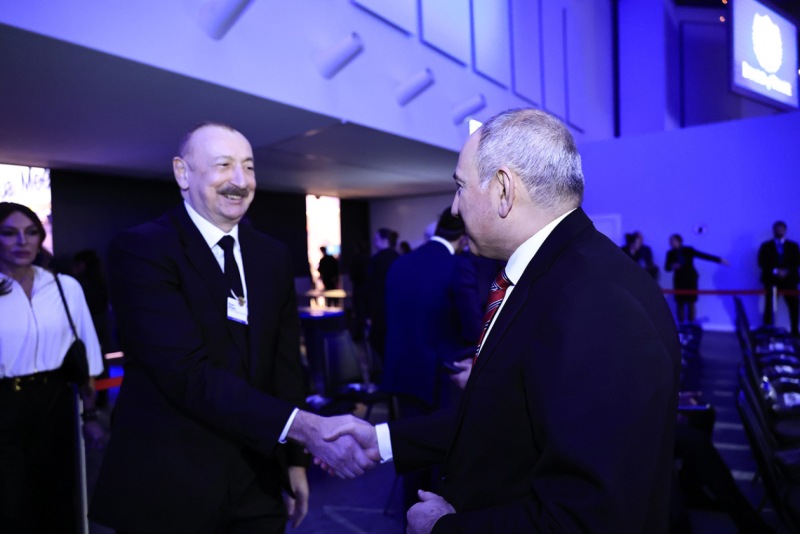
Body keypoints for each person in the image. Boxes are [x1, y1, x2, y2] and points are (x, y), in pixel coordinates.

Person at [324, 108, 682, 533]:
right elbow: (505, 417)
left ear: (503, 189)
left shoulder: (595, 302)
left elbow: (587, 517)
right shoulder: (557, 274)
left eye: (460, 186)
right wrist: (383, 441)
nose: (454, 207)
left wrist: (443, 528)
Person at [89, 122, 378, 533]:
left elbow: (284, 367)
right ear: (183, 173)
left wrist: (294, 462)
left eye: (249, 166)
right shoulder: (143, 250)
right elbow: (185, 372)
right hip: (171, 481)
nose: (240, 181)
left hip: (256, 479)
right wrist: (306, 428)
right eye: (224, 165)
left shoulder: (272, 255)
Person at [0, 202, 104, 532]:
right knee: (10, 505)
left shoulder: (64, 287)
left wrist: (90, 417)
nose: (22, 241)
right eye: (9, 233)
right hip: (4, 404)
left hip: (55, 403)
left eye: (31, 232)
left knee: (57, 500)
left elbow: (86, 358)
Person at [382, 207, 482, 515]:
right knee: (440, 461)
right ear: (463, 237)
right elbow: (473, 329)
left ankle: (409, 517)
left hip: (401, 375)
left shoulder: (400, 263)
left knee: (411, 453)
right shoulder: (458, 266)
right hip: (441, 378)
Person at [664, 234, 729, 323]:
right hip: (679, 281)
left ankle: (691, 324)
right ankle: (681, 325)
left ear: (679, 241)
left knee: (691, 302)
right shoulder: (670, 253)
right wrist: (673, 266)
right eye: (670, 241)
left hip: (690, 279)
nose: (671, 243)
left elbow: (703, 255)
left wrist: (719, 260)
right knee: (680, 303)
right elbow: (666, 268)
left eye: (673, 241)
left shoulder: (688, 250)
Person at [758, 220, 800, 336]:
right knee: (770, 306)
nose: (779, 231)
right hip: (772, 280)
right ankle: (768, 329)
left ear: (785, 231)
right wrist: (776, 271)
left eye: (781, 229)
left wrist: (786, 271)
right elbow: (761, 262)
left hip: (790, 280)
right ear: (773, 231)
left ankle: (795, 330)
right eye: (777, 229)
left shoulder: (793, 246)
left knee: (794, 305)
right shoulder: (766, 246)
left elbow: (797, 261)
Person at [365, 227, 399, 368]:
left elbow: (373, 289)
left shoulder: (377, 260)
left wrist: (369, 313)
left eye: (376, 239)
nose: (374, 242)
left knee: (377, 340)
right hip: (396, 309)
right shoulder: (398, 257)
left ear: (384, 240)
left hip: (380, 309)